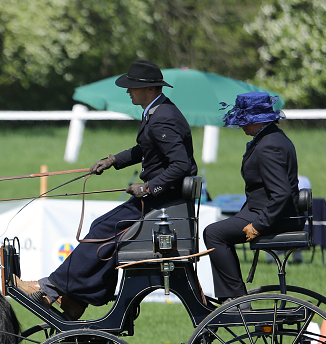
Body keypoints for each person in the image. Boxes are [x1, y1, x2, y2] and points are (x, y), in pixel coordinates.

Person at [14, 60, 198, 319]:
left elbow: (181, 164)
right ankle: (77, 298)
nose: (128, 92)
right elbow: (147, 149)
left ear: (149, 89)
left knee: (103, 229)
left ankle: (51, 288)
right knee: (104, 226)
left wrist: (148, 187)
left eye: (132, 87)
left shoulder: (162, 118)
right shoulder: (158, 112)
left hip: (162, 201)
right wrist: (114, 160)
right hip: (162, 198)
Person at [203, 92, 304, 302]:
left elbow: (281, 193)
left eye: (244, 121)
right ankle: (232, 296)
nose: (241, 126)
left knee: (214, 234)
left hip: (275, 217)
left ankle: (233, 298)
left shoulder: (269, 145)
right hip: (262, 211)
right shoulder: (271, 138)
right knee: (216, 231)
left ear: (258, 121)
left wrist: (259, 225)